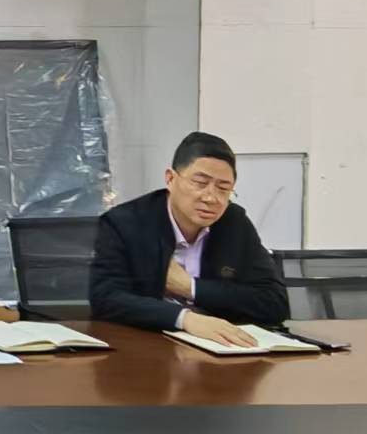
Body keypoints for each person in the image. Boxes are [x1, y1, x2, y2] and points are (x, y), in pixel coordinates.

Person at [89, 131, 287, 346]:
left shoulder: (234, 222)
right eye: (200, 182)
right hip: (146, 347)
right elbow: (106, 299)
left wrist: (190, 287)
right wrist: (185, 319)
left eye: (223, 189)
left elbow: (275, 303)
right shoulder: (125, 223)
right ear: (170, 179)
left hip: (222, 350)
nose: (210, 198)